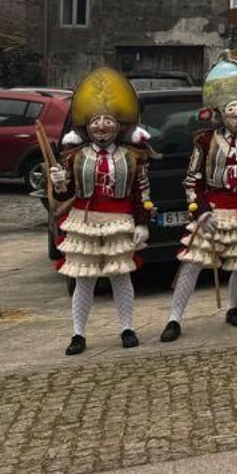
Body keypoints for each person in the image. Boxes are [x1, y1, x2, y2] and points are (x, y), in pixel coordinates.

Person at [161, 50, 237, 343]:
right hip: (213, 208)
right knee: (191, 262)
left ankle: (234, 307)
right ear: (220, 112)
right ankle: (174, 317)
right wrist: (200, 211)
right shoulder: (204, 140)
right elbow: (192, 179)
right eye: (231, 109)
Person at [49, 67, 153, 355]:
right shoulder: (74, 156)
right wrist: (58, 184)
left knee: (121, 278)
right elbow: (65, 195)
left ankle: (127, 328)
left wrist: (143, 223)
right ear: (87, 126)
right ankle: (78, 334)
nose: (102, 126)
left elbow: (141, 193)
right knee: (84, 279)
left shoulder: (133, 157)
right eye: (96, 121)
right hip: (83, 222)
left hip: (120, 221)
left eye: (108, 121)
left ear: (119, 125)